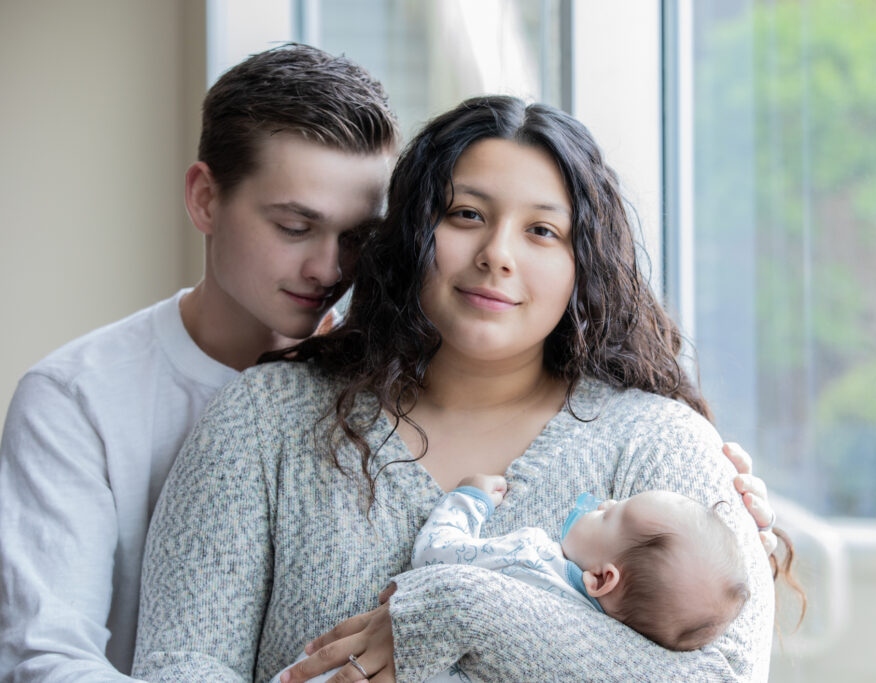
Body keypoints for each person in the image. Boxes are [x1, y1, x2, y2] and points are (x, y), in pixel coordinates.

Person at [133, 94, 777, 683]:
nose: (497, 254)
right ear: (413, 230)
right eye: (466, 215)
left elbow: (722, 676)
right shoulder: (264, 420)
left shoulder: (660, 443)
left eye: (542, 231)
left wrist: (461, 607)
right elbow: (180, 663)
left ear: (585, 264)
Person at [0, 44, 398, 681]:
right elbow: (44, 656)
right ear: (205, 198)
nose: (328, 269)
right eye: (295, 227)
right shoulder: (76, 399)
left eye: (356, 238)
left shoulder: (387, 387)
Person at [273, 474, 751, 683]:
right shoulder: (600, 652)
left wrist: (469, 501)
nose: (602, 503)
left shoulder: (528, 559)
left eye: (612, 515)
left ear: (604, 578)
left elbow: (437, 557)